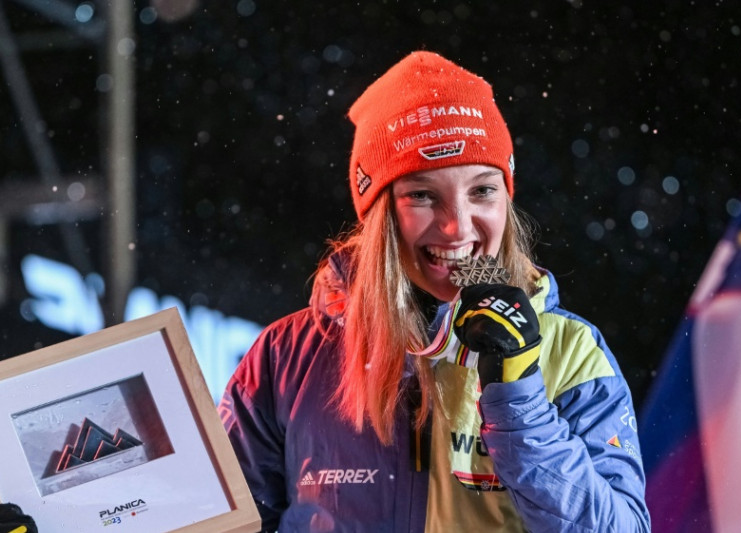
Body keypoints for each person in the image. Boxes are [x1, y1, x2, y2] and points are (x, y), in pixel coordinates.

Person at [219, 50, 651, 532]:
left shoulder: (572, 353)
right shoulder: (287, 357)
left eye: (482, 190)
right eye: (422, 195)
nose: (457, 227)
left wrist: (520, 402)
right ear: (380, 214)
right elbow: (220, 520)